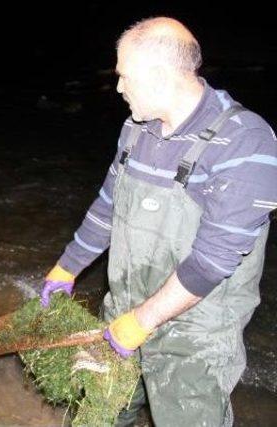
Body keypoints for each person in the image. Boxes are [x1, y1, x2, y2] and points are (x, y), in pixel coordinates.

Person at [40, 17, 276, 426]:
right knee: (94, 418)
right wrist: (69, 265)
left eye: (123, 77)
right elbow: (108, 206)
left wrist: (143, 322)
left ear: (159, 75)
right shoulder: (136, 130)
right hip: (125, 308)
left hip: (195, 331)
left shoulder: (246, 142)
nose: (118, 88)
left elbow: (213, 262)